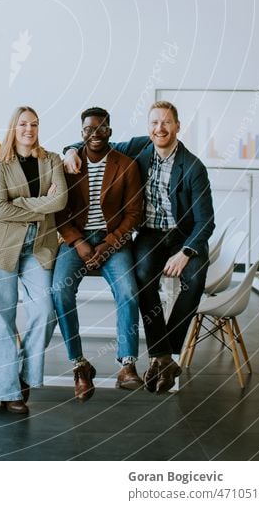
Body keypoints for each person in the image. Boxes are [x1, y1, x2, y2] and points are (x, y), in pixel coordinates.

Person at [64, 100, 215, 393]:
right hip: (150, 235)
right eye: (155, 122)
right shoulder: (139, 147)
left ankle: (163, 354)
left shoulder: (194, 167)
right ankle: (162, 358)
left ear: (178, 127)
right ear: (149, 127)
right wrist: (69, 151)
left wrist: (185, 253)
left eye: (167, 122)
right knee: (143, 276)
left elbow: (205, 222)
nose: (160, 128)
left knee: (194, 280)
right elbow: (94, 139)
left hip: (184, 237)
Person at [0, 106, 68, 414]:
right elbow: (0, 210)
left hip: (39, 246)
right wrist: (42, 206)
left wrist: (22, 203)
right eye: (23, 124)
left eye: (34, 124)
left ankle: (25, 375)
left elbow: (61, 200)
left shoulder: (52, 159)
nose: (29, 129)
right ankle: (7, 389)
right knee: (1, 320)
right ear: (13, 128)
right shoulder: (0, 164)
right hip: (2, 246)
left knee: (45, 311)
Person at [52, 107, 143, 401]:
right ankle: (79, 365)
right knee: (59, 290)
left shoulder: (126, 165)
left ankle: (127, 365)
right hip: (75, 239)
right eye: (89, 129)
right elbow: (59, 211)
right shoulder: (68, 164)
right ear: (81, 134)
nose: (95, 134)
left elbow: (133, 213)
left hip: (113, 240)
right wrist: (77, 242)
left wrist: (109, 244)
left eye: (101, 128)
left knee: (128, 290)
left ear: (110, 132)